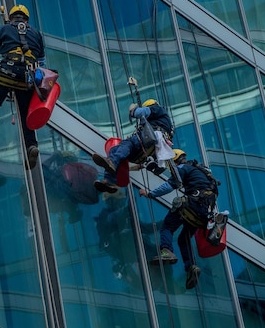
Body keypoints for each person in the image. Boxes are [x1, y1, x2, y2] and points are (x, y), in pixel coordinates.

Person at [0, 4, 46, 169]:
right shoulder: (37, 34)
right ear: (26, 19)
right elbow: (41, 63)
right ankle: (32, 146)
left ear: (12, 17)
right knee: (25, 116)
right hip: (26, 80)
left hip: (6, 73)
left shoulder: (2, 29)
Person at [139, 149, 219, 290]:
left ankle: (167, 251)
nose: (171, 168)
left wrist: (150, 194)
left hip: (192, 204)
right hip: (203, 212)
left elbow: (171, 185)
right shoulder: (203, 172)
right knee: (184, 239)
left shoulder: (182, 168)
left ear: (174, 160)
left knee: (167, 227)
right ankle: (191, 267)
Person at [93, 98, 174, 194]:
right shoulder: (165, 123)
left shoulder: (157, 108)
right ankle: (109, 181)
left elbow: (140, 113)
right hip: (148, 148)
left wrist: (133, 110)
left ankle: (111, 165)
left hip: (149, 139)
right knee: (116, 150)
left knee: (126, 144)